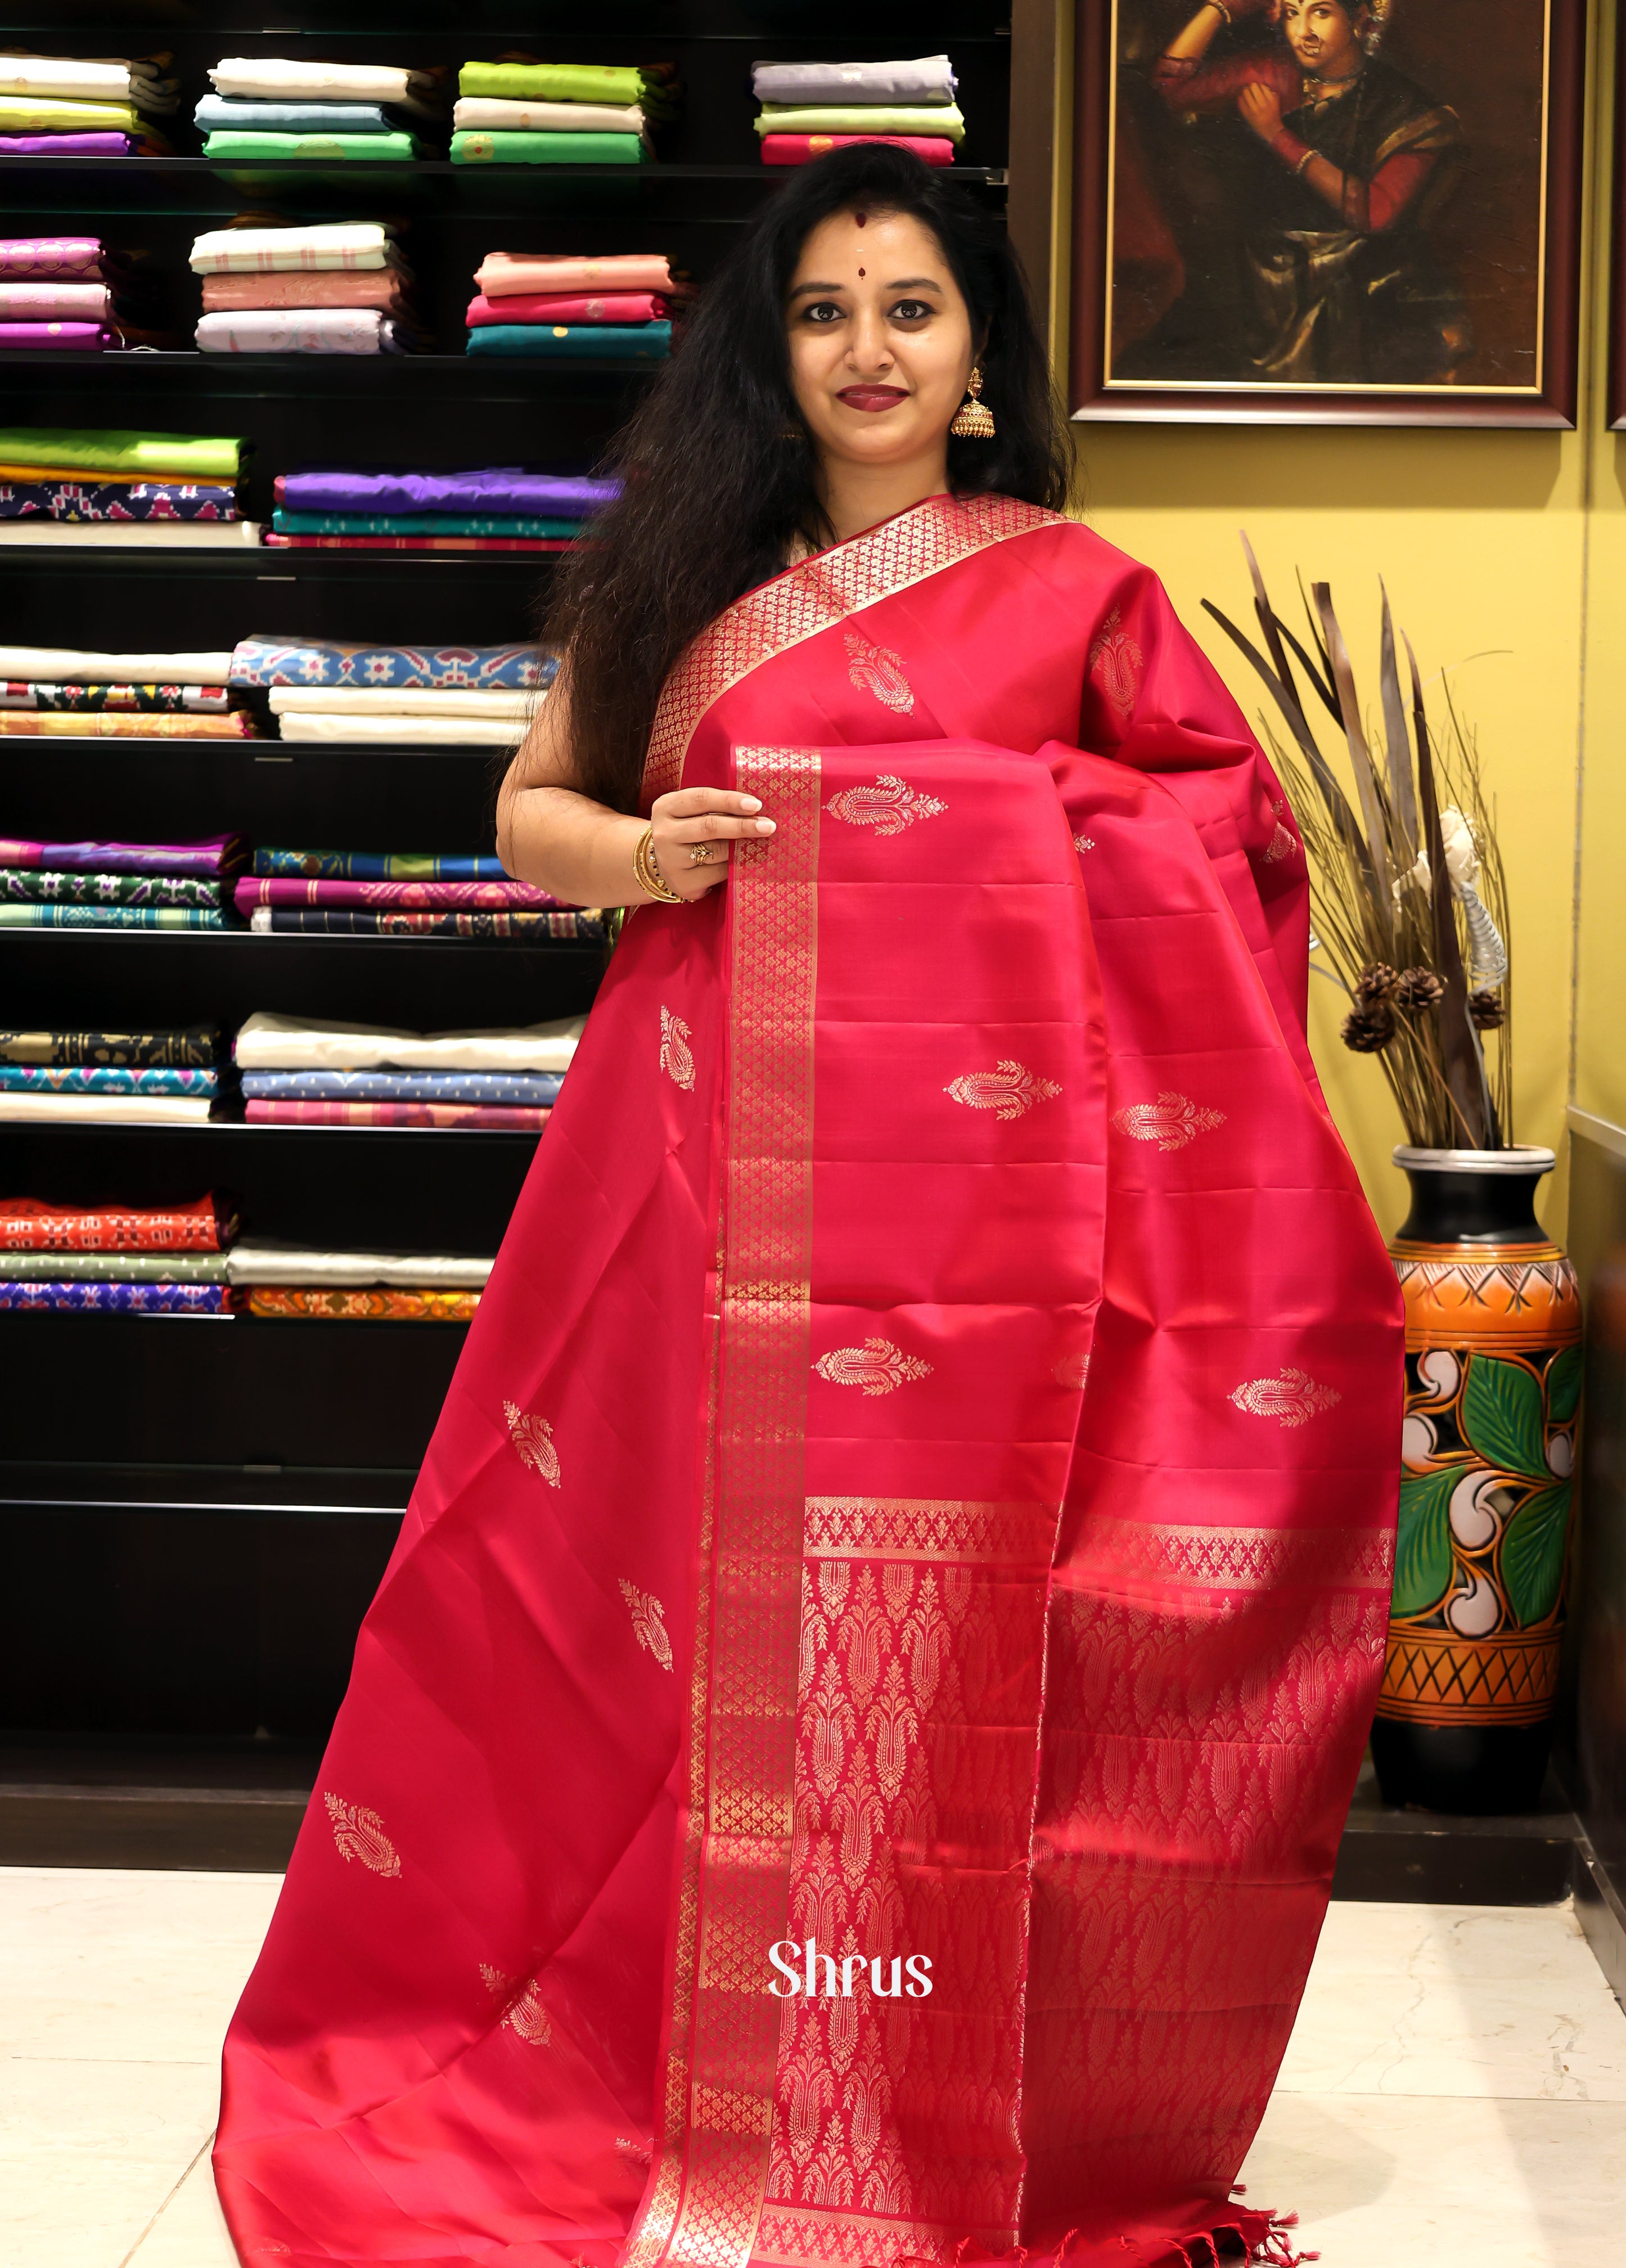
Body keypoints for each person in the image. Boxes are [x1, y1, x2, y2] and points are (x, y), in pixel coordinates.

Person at [213, 145, 1403, 2268]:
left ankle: (951, 2085)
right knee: (644, 1638)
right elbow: (528, 815)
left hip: (1009, 1255)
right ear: (770, 352)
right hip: (704, 1202)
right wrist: (650, 856)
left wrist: (1017, 816)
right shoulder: (678, 572)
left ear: (973, 357)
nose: (867, 346)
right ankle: (677, 2065)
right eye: (823, 308)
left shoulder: (1072, 591)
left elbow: (1221, 843)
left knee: (978, 1651)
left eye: (910, 307)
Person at [1151, 0, 1469, 381]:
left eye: (1321, 12)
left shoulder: (1409, 109)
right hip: (1266, 282)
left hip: (1366, 287)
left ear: (1361, 19)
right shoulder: (1274, 73)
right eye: (1291, 13)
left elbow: (1374, 212)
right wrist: (1221, 9)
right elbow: (1170, 86)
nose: (1304, 32)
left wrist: (1277, 136)